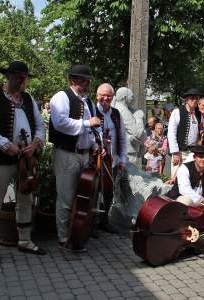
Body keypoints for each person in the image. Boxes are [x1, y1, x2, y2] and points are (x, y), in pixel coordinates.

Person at [0, 61, 46, 268]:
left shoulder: (28, 99)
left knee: (26, 199)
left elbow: (40, 125)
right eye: (18, 76)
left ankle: (24, 241)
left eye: (25, 76)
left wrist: (35, 144)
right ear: (9, 76)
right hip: (1, 159)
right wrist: (5, 145)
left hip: (26, 159)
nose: (23, 80)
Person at [49, 64, 102, 248]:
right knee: (65, 197)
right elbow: (60, 123)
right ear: (72, 80)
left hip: (84, 155)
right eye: (82, 80)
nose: (86, 83)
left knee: (82, 197)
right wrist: (87, 123)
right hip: (67, 154)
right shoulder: (61, 97)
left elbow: (90, 131)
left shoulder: (88, 102)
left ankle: (78, 231)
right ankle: (63, 237)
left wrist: (95, 144)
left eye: (87, 80)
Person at [166, 145, 204, 226]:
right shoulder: (184, 168)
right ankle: (179, 225)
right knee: (186, 201)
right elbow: (185, 190)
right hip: (181, 198)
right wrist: (203, 201)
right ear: (194, 157)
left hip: (201, 204)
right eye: (200, 157)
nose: (203, 159)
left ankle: (196, 224)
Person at [95, 83, 127, 230]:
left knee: (108, 192)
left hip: (112, 160)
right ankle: (92, 223)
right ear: (97, 95)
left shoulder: (116, 113)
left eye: (109, 95)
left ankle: (104, 221)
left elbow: (122, 137)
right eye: (103, 95)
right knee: (94, 192)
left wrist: (122, 159)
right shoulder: (92, 111)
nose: (105, 98)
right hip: (95, 160)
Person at [167, 88, 202, 178]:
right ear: (186, 99)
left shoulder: (198, 113)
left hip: (193, 153)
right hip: (180, 152)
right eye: (192, 98)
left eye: (196, 98)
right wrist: (175, 153)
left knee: (190, 179)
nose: (194, 100)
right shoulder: (177, 112)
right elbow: (171, 133)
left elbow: (200, 130)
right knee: (176, 179)